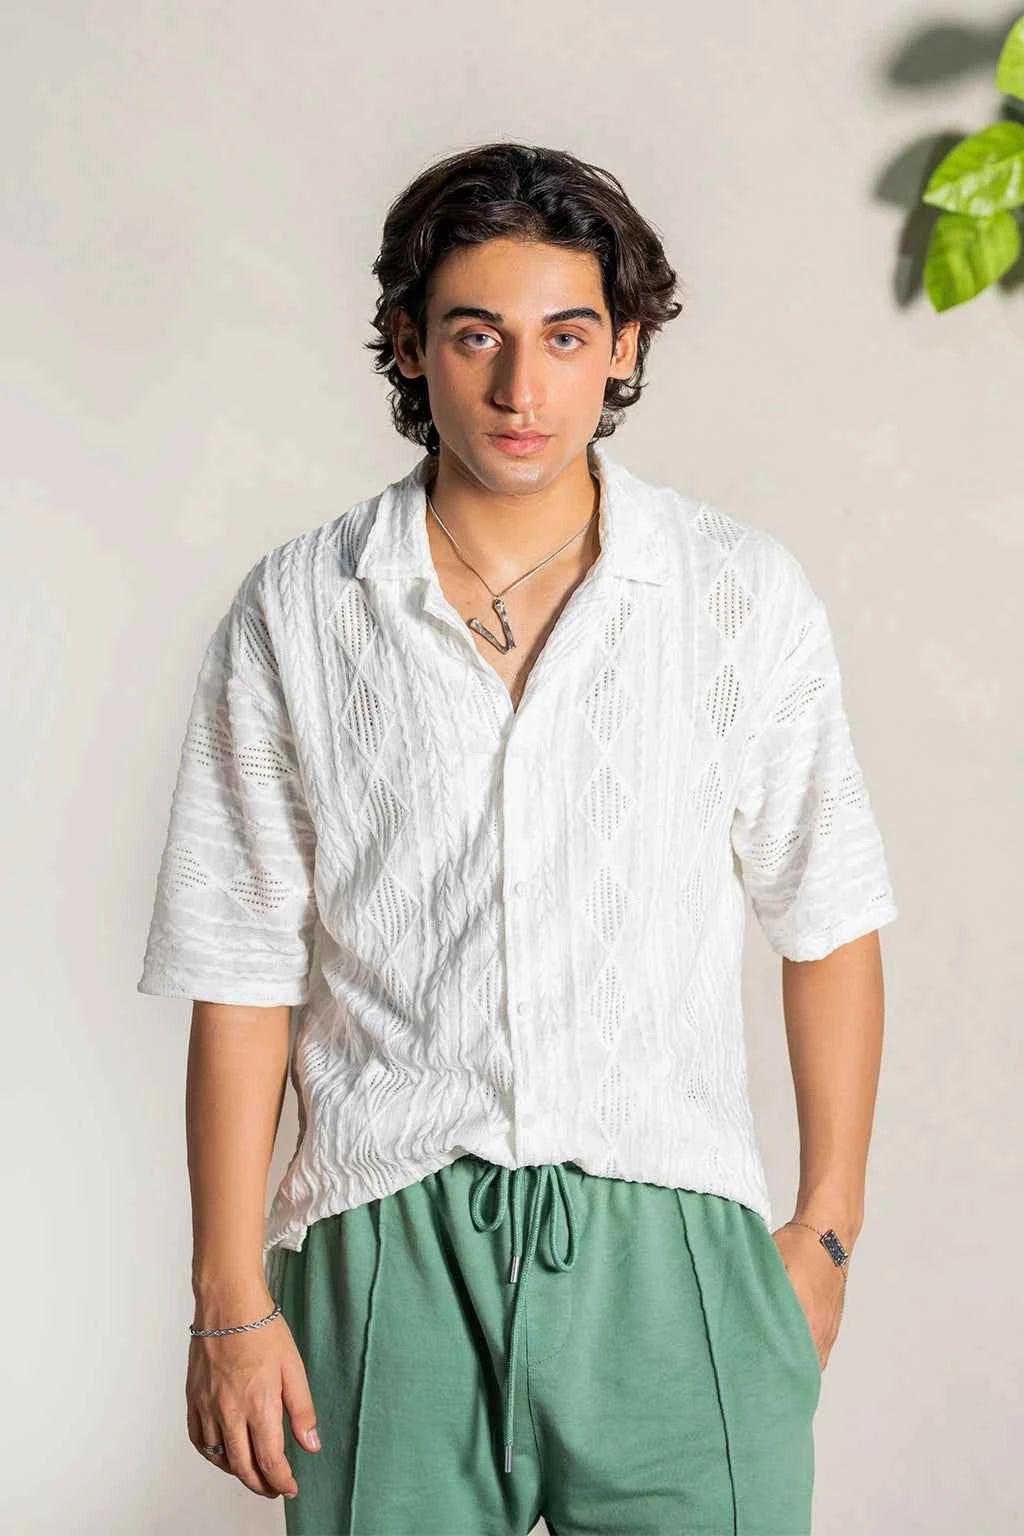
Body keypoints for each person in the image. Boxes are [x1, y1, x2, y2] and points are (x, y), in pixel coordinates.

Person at [137, 141, 898, 1536]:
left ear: (625, 347)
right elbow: (240, 966)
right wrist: (227, 1297)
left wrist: (828, 1230)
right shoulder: (301, 608)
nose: (519, 389)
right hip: (386, 1244)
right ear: (408, 343)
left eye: (565, 336)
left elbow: (828, 910)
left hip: (673, 1249)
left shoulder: (735, 593)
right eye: (475, 334)